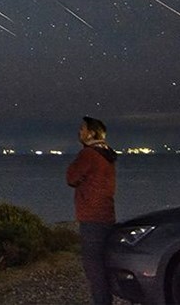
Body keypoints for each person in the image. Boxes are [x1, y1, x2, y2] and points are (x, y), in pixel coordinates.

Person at [66, 115, 118, 305]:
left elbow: (71, 177)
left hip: (92, 216)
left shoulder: (88, 154)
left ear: (91, 133)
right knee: (103, 266)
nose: (79, 132)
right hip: (106, 214)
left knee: (94, 268)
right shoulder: (107, 154)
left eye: (83, 129)